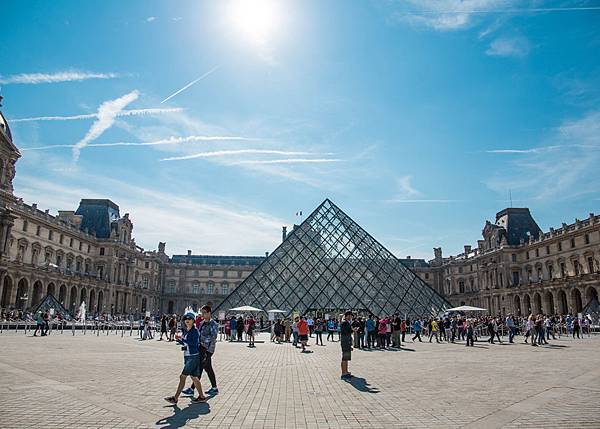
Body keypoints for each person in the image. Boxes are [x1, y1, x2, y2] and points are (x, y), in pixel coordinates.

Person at [164, 312, 206, 405]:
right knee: (194, 377)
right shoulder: (188, 330)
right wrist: (179, 340)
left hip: (192, 356)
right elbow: (187, 343)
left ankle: (175, 398)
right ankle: (202, 396)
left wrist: (182, 339)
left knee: (182, 377)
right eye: (185, 319)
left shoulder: (194, 331)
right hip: (189, 356)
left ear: (193, 320)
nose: (187, 320)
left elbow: (194, 344)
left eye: (189, 319)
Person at [183, 305, 219, 397]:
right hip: (201, 348)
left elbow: (213, 337)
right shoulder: (202, 323)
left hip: (208, 349)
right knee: (208, 368)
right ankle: (214, 388)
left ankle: (192, 389)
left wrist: (201, 338)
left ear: (209, 313)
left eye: (204, 312)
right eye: (202, 312)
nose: (202, 314)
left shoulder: (213, 324)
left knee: (199, 368)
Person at [340, 311, 353, 380]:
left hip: (345, 341)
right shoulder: (345, 323)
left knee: (346, 357)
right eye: (351, 316)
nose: (351, 317)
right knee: (345, 358)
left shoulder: (345, 322)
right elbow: (345, 332)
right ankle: (343, 373)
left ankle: (346, 372)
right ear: (347, 316)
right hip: (345, 342)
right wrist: (352, 330)